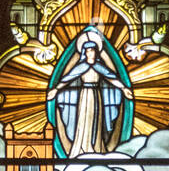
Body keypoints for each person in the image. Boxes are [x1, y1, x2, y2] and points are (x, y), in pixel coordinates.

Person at [47, 26, 134, 157]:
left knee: (96, 121)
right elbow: (67, 78)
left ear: (96, 52)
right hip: (85, 95)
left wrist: (124, 88)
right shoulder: (81, 66)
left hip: (96, 95)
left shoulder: (99, 66)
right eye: (88, 51)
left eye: (93, 51)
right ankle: (83, 147)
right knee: (84, 120)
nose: (91, 53)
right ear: (84, 53)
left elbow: (112, 77)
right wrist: (56, 90)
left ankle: (97, 148)